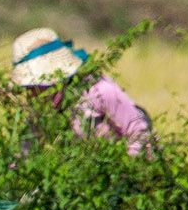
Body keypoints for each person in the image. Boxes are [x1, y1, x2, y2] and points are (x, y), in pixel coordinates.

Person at [10, 27, 154, 156]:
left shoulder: (100, 91)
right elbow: (28, 152)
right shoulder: (41, 110)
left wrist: (124, 170)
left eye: (35, 85)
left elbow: (140, 134)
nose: (30, 93)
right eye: (27, 87)